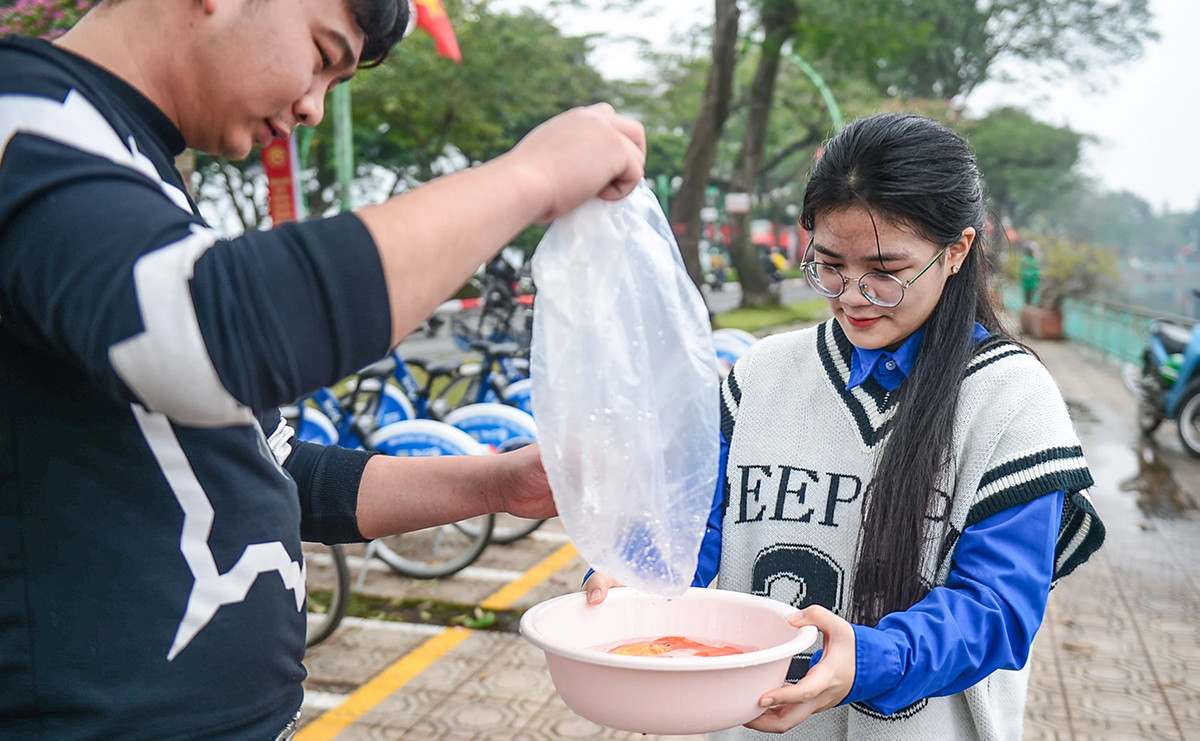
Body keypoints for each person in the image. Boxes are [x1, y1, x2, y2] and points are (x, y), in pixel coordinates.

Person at [0, 0, 645, 737]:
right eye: (321, 53)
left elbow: (274, 470)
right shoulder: (23, 115)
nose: (310, 107)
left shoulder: (140, 179)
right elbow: (215, 335)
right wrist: (532, 176)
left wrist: (501, 482)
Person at [584, 112, 1104, 739]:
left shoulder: (1011, 399)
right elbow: (698, 522)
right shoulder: (763, 373)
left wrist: (869, 657)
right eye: (829, 265)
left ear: (957, 251)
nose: (854, 295)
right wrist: (640, 571)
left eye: (885, 272)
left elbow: (997, 610)